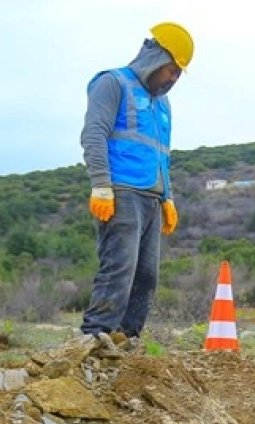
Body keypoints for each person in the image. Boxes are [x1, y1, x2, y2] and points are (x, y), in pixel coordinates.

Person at [79, 22, 193, 346]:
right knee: (120, 270)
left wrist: (167, 196)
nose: (173, 79)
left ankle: (126, 342)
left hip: (152, 198)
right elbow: (94, 134)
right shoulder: (113, 83)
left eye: (178, 74)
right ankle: (94, 340)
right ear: (154, 58)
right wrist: (101, 185)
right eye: (171, 70)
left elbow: (161, 154)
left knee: (146, 277)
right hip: (122, 193)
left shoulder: (163, 105)